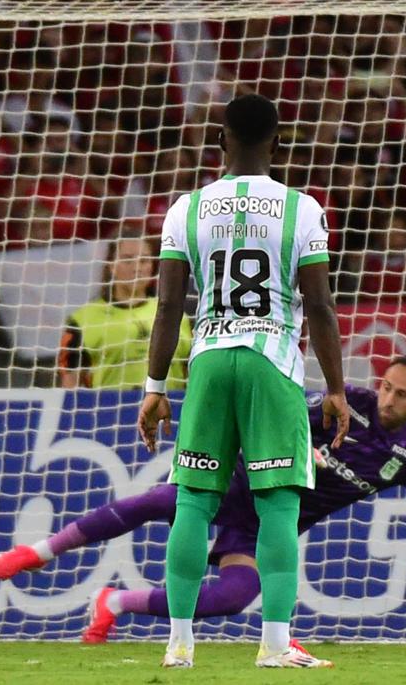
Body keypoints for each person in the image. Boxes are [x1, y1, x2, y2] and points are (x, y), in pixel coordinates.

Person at [0, 356, 406, 640]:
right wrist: (297, 450)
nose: (387, 397)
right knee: (155, 502)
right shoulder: (346, 404)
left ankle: (113, 602)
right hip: (241, 484)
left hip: (266, 527)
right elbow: (274, 417)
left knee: (234, 596)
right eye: (385, 385)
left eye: (401, 394)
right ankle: (38, 552)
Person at [136, 93, 352, 669]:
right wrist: (334, 387)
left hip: (207, 359)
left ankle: (179, 643)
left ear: (220, 140)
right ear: (277, 142)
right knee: (277, 506)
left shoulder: (186, 208)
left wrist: (154, 387)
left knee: (193, 501)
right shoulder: (301, 208)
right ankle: (275, 645)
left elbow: (166, 307)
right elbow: (321, 305)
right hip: (271, 360)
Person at [58, 234, 190, 391]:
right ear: (111, 266)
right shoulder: (82, 319)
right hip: (108, 410)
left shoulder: (176, 315)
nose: (137, 268)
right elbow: (70, 383)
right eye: (128, 260)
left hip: (172, 409)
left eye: (144, 261)